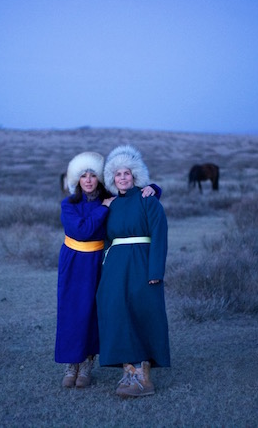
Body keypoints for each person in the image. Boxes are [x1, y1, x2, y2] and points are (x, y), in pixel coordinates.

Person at [55, 151, 159, 389]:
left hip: (99, 260)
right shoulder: (69, 204)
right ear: (76, 180)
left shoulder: (111, 197)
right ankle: (72, 364)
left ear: (100, 179)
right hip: (73, 261)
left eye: (93, 175)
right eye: (84, 176)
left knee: (93, 311)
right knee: (71, 311)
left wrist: (153, 188)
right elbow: (81, 231)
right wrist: (102, 208)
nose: (89, 180)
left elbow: (130, 192)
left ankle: (88, 364)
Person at [97, 145, 170, 397]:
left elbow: (160, 236)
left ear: (135, 175)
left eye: (127, 173)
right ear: (112, 178)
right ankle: (128, 370)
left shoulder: (148, 199)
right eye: (118, 174)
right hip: (115, 267)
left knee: (141, 313)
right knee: (118, 312)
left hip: (142, 264)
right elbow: (105, 240)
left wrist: (155, 270)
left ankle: (143, 377)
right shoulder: (110, 204)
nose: (123, 178)